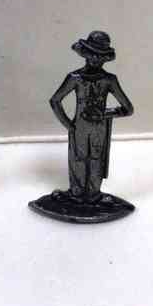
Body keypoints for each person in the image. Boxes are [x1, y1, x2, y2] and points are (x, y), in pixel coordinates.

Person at [49, 30, 134, 203]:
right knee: (78, 159)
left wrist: (105, 113)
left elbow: (128, 108)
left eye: (100, 56)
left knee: (96, 159)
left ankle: (94, 195)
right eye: (92, 54)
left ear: (105, 58)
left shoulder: (109, 80)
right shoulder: (75, 78)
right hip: (79, 127)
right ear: (85, 53)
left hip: (99, 128)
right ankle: (76, 194)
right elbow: (55, 100)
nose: (95, 59)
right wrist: (68, 125)